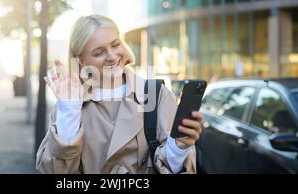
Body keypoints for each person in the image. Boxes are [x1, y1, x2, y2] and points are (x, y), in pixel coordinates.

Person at [36, 14, 203, 174]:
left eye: (115, 44)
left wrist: (179, 147)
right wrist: (69, 110)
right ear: (81, 60)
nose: (112, 56)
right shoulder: (69, 104)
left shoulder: (156, 94)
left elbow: (171, 166)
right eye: (98, 52)